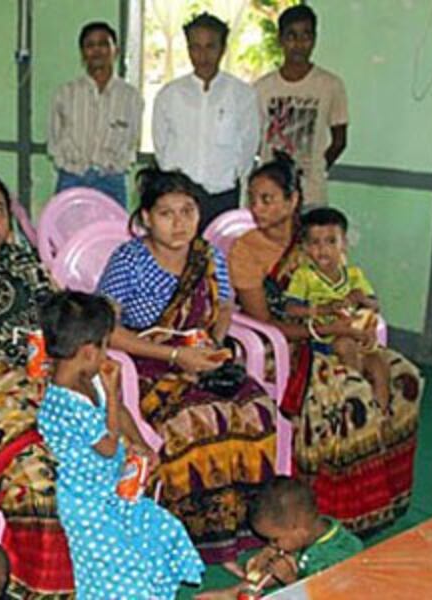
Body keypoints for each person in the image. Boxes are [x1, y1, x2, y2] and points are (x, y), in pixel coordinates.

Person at [0, 170, 194, 598]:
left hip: (53, 396)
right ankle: (43, 589)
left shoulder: (28, 272)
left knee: (111, 466)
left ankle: (108, 580)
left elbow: (86, 341)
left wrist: (134, 438)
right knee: (43, 481)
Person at [228, 153, 422, 536]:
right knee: (348, 395)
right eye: (252, 198)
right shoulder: (245, 250)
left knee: (406, 377)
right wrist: (328, 329)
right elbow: (268, 324)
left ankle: (386, 495)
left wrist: (358, 318)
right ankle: (340, 509)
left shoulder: (315, 238)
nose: (256, 207)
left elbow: (349, 289)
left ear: (293, 200)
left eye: (267, 198)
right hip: (284, 347)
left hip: (337, 335)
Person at [97, 168, 278, 573]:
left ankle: (243, 531)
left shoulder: (208, 256)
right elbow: (105, 329)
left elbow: (225, 305)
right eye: (166, 213)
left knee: (256, 409)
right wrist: (177, 359)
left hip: (200, 358)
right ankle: (193, 538)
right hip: (145, 365)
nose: (179, 223)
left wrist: (212, 342)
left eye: (187, 211)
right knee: (193, 421)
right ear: (145, 218)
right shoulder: (130, 260)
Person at [37, 291, 204, 599]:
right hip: (85, 504)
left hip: (111, 487)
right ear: (88, 351)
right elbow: (108, 447)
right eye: (104, 347)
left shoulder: (91, 376)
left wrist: (140, 444)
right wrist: (113, 394)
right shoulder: (62, 400)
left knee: (161, 531)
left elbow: (123, 415)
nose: (106, 356)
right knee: (119, 572)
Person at [152, 12, 259, 228]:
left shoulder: (242, 94)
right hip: (179, 199)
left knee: (219, 258)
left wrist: (229, 178)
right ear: (188, 48)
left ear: (222, 48)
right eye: (195, 47)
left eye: (210, 46)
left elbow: (248, 146)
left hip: (222, 196)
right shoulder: (170, 95)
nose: (203, 55)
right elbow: (161, 145)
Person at [284, 207, 390, 409]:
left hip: (358, 337)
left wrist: (361, 298)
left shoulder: (354, 274)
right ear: (305, 248)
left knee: (379, 365)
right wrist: (324, 310)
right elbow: (290, 309)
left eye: (332, 241)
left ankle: (380, 416)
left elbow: (375, 305)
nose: (323, 249)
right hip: (325, 340)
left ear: (344, 245)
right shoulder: (304, 276)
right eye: (315, 243)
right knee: (345, 345)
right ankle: (355, 401)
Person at [196, 477, 364, 600]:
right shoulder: (305, 536)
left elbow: (320, 595)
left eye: (275, 539)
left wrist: (290, 580)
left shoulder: (338, 557)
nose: (271, 545)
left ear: (298, 529)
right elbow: (274, 574)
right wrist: (234, 592)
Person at [255, 4, 348, 207]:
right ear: (280, 39)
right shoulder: (262, 88)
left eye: (306, 36)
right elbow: (254, 139)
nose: (299, 44)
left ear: (314, 38)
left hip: (311, 194)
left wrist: (316, 168)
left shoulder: (330, 85)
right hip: (270, 195)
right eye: (291, 36)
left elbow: (339, 140)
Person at [47, 21, 143, 207]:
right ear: (82, 53)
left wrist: (115, 168)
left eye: (103, 44)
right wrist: (68, 166)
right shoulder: (65, 93)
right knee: (68, 234)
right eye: (90, 45)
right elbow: (54, 138)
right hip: (72, 179)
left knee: (112, 235)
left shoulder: (130, 96)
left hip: (111, 181)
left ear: (116, 50)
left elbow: (133, 140)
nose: (97, 50)